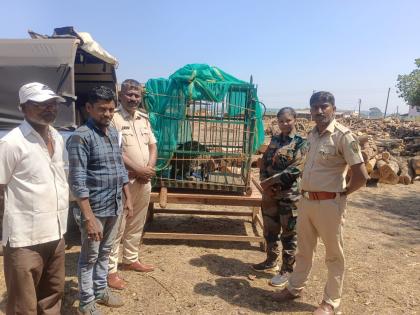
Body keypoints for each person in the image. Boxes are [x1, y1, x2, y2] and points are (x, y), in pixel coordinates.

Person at [275, 91, 369, 315]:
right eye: (315, 107)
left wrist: (344, 193)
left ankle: (330, 302)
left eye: (324, 106)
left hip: (329, 205)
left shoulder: (343, 136)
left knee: (334, 255)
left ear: (333, 109)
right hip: (306, 201)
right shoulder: (312, 136)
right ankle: (295, 287)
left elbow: (362, 175)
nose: (319, 111)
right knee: (304, 250)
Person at [0, 82, 69, 314]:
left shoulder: (57, 137)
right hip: (24, 238)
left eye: (52, 104)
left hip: (56, 233)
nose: (49, 109)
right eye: (40, 104)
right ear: (22, 107)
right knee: (23, 305)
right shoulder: (12, 143)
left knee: (52, 296)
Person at [67, 86, 133, 315]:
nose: (107, 114)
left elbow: (119, 167)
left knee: (105, 252)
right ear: (88, 108)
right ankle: (86, 303)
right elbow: (77, 181)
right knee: (89, 257)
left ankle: (100, 290)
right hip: (93, 210)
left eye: (111, 110)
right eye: (102, 109)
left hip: (113, 205)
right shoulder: (80, 137)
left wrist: (127, 195)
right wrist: (88, 217)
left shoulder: (112, 132)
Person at [107, 79, 158, 290]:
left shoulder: (143, 119)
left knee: (137, 221)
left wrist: (148, 169)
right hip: (124, 180)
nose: (133, 99)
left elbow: (153, 146)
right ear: (121, 95)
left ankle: (130, 259)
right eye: (129, 94)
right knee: (117, 225)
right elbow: (115, 151)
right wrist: (139, 169)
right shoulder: (113, 119)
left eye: (137, 95)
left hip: (144, 180)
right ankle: (110, 271)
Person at [252, 107, 307, 288]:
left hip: (289, 195)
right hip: (270, 194)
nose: (284, 124)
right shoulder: (275, 140)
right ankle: (271, 260)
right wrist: (264, 183)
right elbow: (265, 163)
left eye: (288, 120)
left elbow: (296, 168)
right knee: (270, 229)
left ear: (295, 120)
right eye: (281, 121)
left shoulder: (301, 142)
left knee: (289, 233)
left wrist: (272, 183)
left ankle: (287, 270)